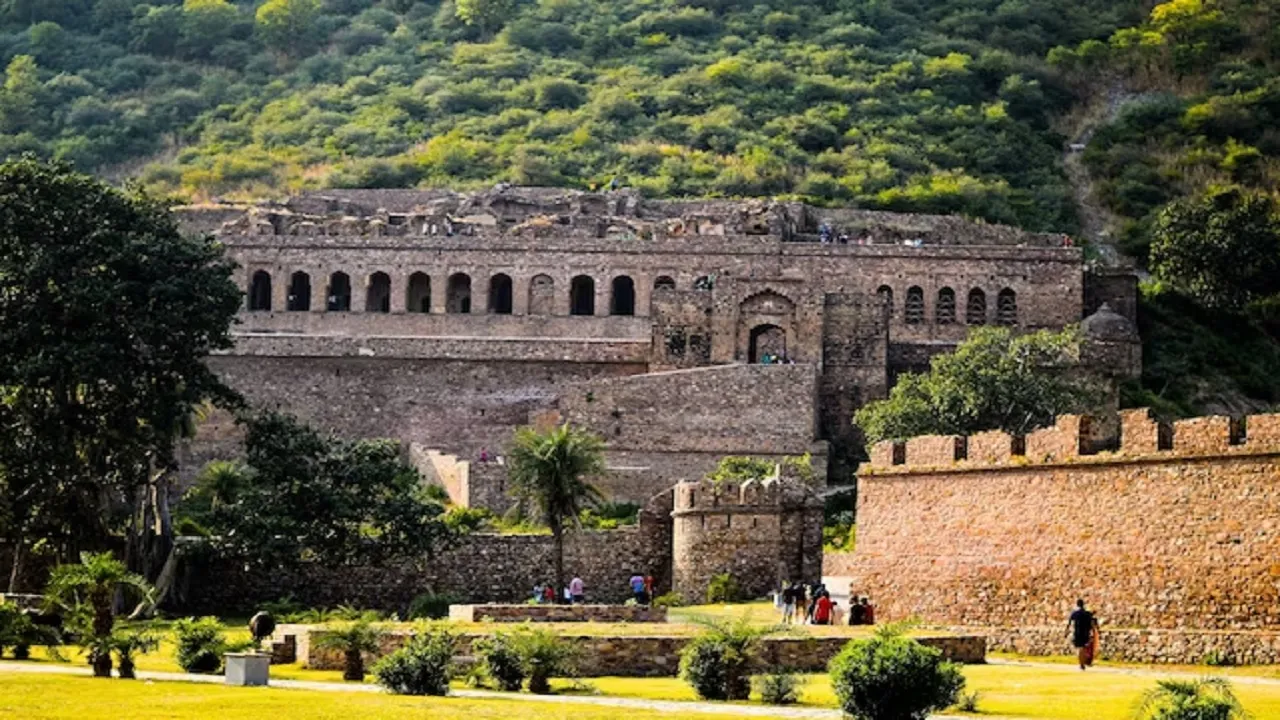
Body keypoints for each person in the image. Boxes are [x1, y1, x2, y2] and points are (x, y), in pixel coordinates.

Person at [1067, 599, 1100, 670]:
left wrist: (1066, 630)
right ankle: (1083, 662)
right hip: (1085, 633)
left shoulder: (1075, 613)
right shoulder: (1087, 613)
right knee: (1084, 648)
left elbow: (1069, 622)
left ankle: (1082, 664)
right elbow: (1092, 621)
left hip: (1078, 633)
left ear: (1077, 604)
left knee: (1080, 648)